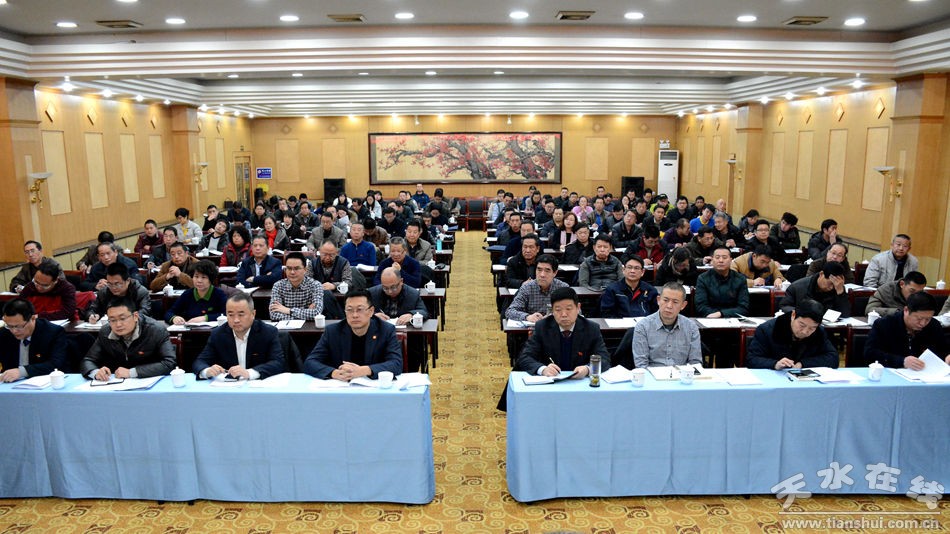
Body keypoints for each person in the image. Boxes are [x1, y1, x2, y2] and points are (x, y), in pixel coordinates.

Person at [303, 288, 403, 380]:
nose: (354, 315)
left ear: (371, 311)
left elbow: (396, 364)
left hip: (373, 386)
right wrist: (334, 373)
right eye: (349, 310)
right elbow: (310, 362)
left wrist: (363, 370)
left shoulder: (386, 330)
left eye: (360, 309)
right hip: (342, 385)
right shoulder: (333, 331)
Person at [515, 287, 609, 378]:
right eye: (558, 310)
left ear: (578, 308)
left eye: (568, 309)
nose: (564, 314)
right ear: (552, 310)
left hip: (580, 382)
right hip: (551, 381)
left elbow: (604, 359)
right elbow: (525, 357)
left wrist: (588, 369)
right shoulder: (542, 327)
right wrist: (543, 369)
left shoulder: (591, 328)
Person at [192, 293, 286, 380]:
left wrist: (249, 373)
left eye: (241, 315)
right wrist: (207, 371)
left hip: (259, 386)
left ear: (253, 314)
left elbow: (278, 363)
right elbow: (200, 361)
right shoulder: (218, 334)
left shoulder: (268, 332)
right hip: (230, 388)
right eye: (231, 315)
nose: (236, 320)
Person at [80, 301, 176, 380]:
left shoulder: (155, 330)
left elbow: (169, 362)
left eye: (122, 319)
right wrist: (96, 373)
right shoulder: (105, 332)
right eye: (112, 320)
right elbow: (88, 360)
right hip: (116, 384)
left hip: (149, 381)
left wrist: (132, 372)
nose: (118, 324)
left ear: (135, 316)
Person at [746, 299, 839, 370]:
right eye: (802, 325)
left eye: (812, 328)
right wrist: (775, 364)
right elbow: (752, 359)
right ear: (793, 315)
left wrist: (803, 364)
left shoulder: (819, 331)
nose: (805, 332)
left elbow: (833, 358)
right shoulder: (767, 329)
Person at [865, 292, 948, 369]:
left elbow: (943, 350)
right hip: (891, 372)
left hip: (925, 374)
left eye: (928, 319)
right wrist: (902, 361)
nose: (923, 323)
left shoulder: (934, 325)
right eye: (919, 318)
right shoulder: (884, 324)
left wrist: (947, 356)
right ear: (906, 310)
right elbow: (870, 354)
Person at [370, 268, 429, 371]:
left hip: (406, 338)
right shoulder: (372, 292)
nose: (389, 291)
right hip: (379, 336)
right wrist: (373, 315)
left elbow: (424, 311)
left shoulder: (412, 294)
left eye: (393, 287)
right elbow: (362, 311)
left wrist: (411, 314)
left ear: (401, 281)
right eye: (385, 288)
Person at [632, 282, 702, 368]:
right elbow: (641, 365)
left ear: (683, 305)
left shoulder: (691, 328)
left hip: (681, 375)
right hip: (652, 375)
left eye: (675, 302)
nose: (669, 306)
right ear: (658, 300)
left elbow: (695, 363)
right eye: (665, 300)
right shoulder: (643, 327)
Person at [0, 298, 68, 382]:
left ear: (33, 318)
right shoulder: (4, 333)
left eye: (19, 326)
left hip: (43, 382)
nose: (14, 331)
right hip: (10, 384)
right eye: (10, 326)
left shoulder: (53, 332)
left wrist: (22, 372)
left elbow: (55, 364)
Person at [505, 254, 568, 321]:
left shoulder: (563, 288)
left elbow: (573, 312)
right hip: (532, 326)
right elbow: (510, 312)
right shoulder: (527, 287)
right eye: (539, 270)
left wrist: (554, 316)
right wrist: (527, 317)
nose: (542, 275)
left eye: (547, 271)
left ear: (555, 273)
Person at [84, 262, 152, 323]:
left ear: (128, 281)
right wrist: (91, 316)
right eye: (110, 284)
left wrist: (125, 319)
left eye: (117, 284)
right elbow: (92, 309)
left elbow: (145, 312)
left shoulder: (140, 292)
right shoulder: (104, 292)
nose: (113, 288)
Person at [166, 260, 228, 324]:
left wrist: (205, 318)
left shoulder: (219, 294)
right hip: (190, 329)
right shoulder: (187, 294)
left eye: (203, 277)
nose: (199, 281)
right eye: (196, 276)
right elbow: (169, 313)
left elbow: (227, 314)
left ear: (211, 279)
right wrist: (174, 318)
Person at [779, 261, 849, 317]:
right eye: (830, 283)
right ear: (821, 274)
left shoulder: (838, 288)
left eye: (834, 285)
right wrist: (803, 313)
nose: (831, 287)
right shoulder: (797, 287)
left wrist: (841, 293)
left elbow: (845, 314)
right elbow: (784, 306)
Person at [695, 246, 749, 318]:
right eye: (717, 257)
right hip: (709, 319)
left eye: (724, 257)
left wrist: (721, 314)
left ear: (731, 260)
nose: (721, 260)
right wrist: (714, 315)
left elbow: (743, 308)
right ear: (712, 260)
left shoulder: (740, 279)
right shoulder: (703, 278)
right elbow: (700, 306)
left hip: (733, 319)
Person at [269, 252, 324, 321]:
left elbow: (317, 313)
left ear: (305, 270)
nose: (292, 272)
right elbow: (274, 314)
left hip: (308, 327)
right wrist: (307, 315)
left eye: (296, 268)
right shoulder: (278, 286)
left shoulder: (315, 285)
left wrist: (288, 310)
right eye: (289, 268)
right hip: (285, 327)